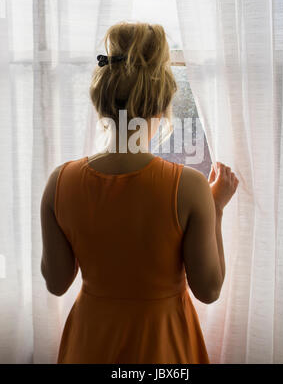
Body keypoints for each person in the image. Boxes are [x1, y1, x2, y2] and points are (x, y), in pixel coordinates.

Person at [40, 21, 239, 364]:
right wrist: (216, 207)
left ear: (101, 103)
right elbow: (209, 290)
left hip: (90, 342)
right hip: (163, 342)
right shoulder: (189, 188)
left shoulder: (60, 182)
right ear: (162, 106)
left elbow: (57, 283)